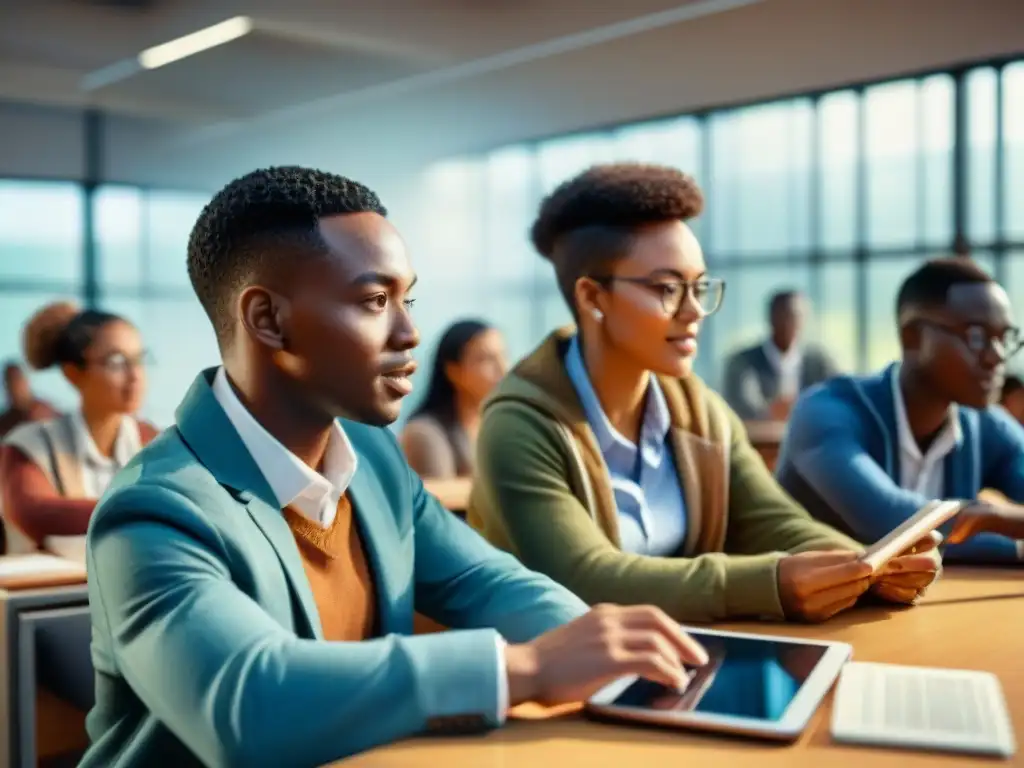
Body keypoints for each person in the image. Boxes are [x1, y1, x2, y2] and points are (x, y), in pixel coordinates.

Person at [80, 167, 709, 768]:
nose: (410, 332)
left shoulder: (373, 457)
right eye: (377, 300)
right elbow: (246, 704)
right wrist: (528, 669)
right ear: (268, 320)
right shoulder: (153, 511)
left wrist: (618, 659)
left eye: (408, 298)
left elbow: (487, 583)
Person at [467, 163, 939, 625]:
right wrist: (768, 583)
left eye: (701, 287)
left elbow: (772, 521)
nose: (694, 311)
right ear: (593, 298)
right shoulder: (518, 424)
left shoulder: (701, 412)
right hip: (552, 685)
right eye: (668, 288)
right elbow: (585, 577)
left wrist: (867, 564)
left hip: (681, 658)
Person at [776, 258, 1024, 563]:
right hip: (811, 606)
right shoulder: (825, 412)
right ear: (912, 337)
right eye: (976, 336)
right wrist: (1002, 530)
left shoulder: (985, 426)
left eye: (1004, 338)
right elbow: (893, 526)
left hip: (930, 605)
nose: (996, 357)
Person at [0, 302, 157, 552]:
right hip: (53, 589)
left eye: (139, 359)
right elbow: (34, 514)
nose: (135, 374)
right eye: (117, 361)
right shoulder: (27, 446)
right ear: (73, 373)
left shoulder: (152, 439)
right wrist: (149, 506)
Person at [400, 319, 507, 478]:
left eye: (503, 356)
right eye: (486, 359)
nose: (502, 368)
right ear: (453, 370)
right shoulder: (424, 433)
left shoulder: (501, 426)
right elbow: (440, 497)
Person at [723, 290, 839, 421]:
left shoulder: (820, 362)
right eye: (784, 316)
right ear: (771, 318)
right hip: (758, 438)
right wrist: (772, 412)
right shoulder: (743, 362)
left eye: (797, 317)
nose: (790, 323)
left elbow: (835, 397)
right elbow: (741, 404)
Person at [0, 361, 57, 438]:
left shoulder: (44, 412)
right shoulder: (5, 421)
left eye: (17, 380)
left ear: (26, 382)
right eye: (9, 381)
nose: (15, 387)